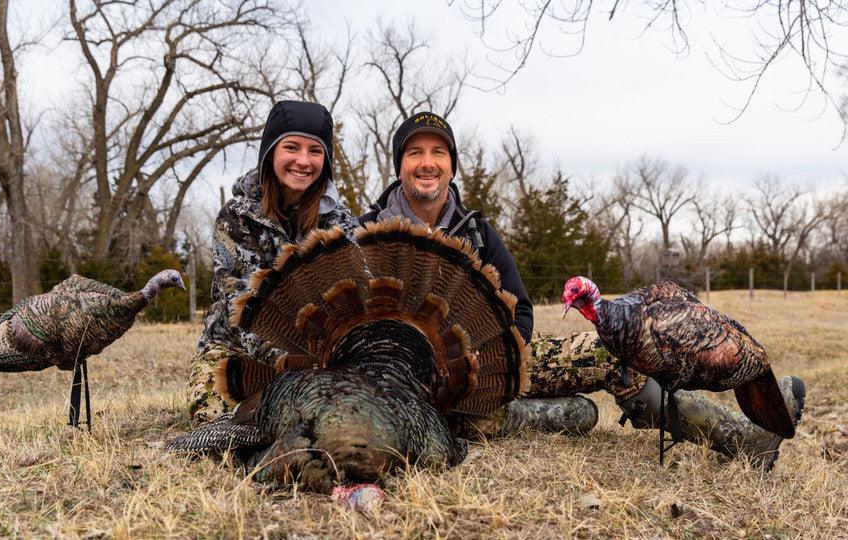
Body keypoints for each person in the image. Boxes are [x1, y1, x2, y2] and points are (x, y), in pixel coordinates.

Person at [359, 111, 806, 469]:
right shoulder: (366, 233)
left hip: (489, 368)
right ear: (399, 164)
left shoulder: (476, 232)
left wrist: (497, 364)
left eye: (438, 152)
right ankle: (543, 416)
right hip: (404, 382)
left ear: (452, 165)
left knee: (612, 350)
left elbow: (522, 311)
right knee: (574, 414)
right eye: (414, 152)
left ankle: (740, 441)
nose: (427, 162)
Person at [187, 100, 360, 420]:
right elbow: (238, 305)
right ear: (271, 152)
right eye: (291, 147)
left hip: (324, 356)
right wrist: (293, 366)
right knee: (215, 418)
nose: (303, 161)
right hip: (239, 352)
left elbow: (357, 298)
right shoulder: (236, 218)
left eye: (315, 151)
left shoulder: (342, 222)